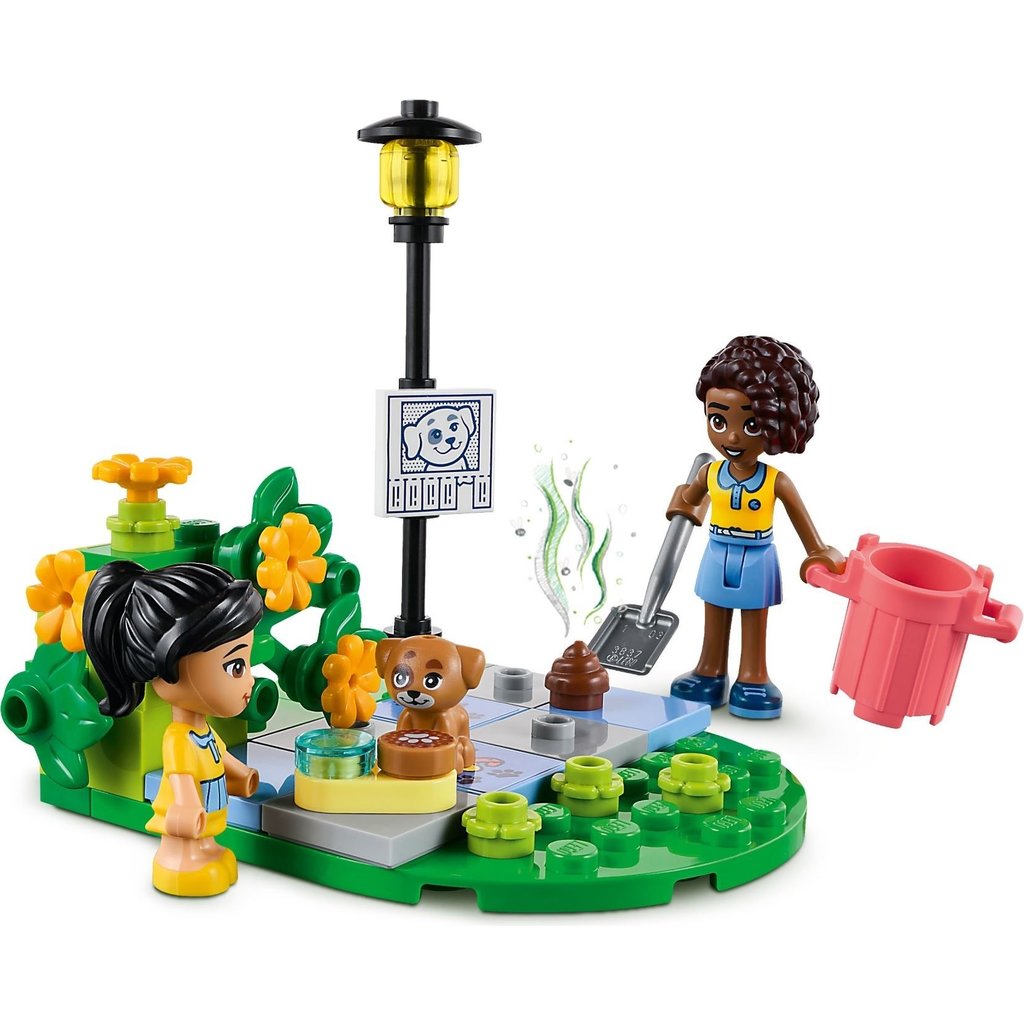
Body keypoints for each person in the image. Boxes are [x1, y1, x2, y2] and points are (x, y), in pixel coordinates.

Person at [667, 336, 844, 718]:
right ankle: (710, 670)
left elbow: (802, 522)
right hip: (717, 550)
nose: (732, 437)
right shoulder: (709, 472)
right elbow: (690, 497)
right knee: (714, 610)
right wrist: (681, 505)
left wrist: (818, 551)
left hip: (757, 555)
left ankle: (753, 676)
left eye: (749, 424)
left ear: (777, 424)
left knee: (753, 617)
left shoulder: (775, 481)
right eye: (718, 420)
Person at [82, 561, 263, 896]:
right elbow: (181, 778)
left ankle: (206, 849)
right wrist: (188, 806)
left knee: (214, 852)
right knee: (188, 848)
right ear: (170, 667)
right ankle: (182, 860)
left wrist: (242, 775)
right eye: (236, 666)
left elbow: (219, 755)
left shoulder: (203, 732)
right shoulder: (178, 739)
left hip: (207, 818)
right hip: (186, 826)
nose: (250, 680)